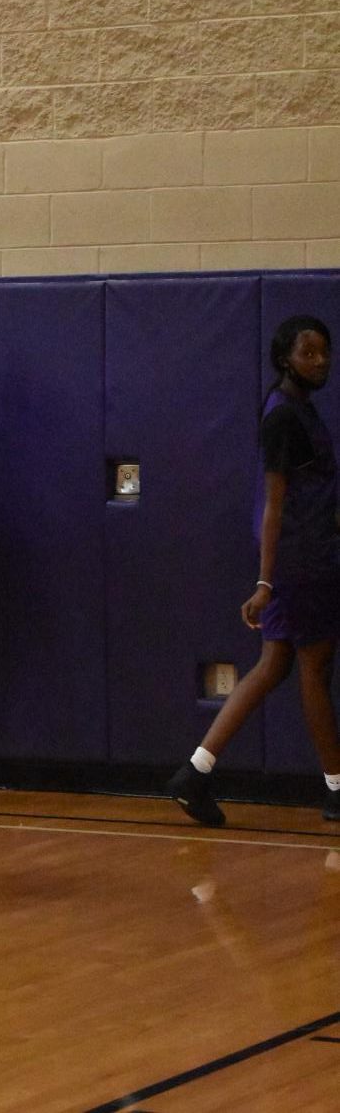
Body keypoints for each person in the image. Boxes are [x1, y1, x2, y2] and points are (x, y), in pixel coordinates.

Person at [167, 315, 340, 827]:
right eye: (308, 353)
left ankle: (195, 773)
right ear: (285, 357)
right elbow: (273, 503)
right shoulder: (282, 417)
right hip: (300, 563)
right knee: (314, 667)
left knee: (276, 665)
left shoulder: (299, 411)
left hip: (309, 555)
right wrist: (266, 581)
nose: (321, 361)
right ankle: (336, 788)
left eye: (325, 352)